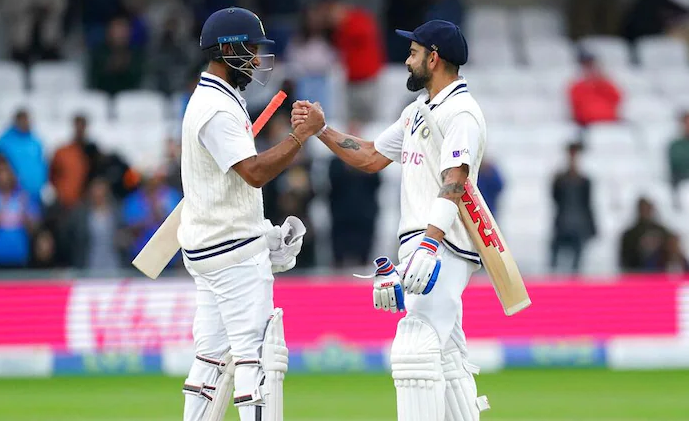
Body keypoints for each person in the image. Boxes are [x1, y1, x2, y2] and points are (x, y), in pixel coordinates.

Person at [292, 19, 490, 421]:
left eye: (413, 53)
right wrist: (321, 130)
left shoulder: (461, 113)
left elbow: (455, 181)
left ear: (433, 59)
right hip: (425, 244)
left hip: (442, 245)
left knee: (415, 351)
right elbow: (369, 156)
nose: (406, 60)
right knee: (447, 361)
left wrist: (429, 245)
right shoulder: (418, 111)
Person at [178, 8, 325, 421]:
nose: (257, 59)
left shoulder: (215, 99)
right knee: (256, 359)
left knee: (210, 360)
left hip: (212, 246)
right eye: (251, 49)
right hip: (229, 255)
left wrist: (262, 234)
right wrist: (301, 135)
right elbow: (255, 173)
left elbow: (231, 188)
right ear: (227, 49)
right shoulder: (218, 109)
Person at [550, 143, 597, 273]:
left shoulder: (584, 181)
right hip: (563, 223)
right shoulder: (560, 179)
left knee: (576, 264)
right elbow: (555, 198)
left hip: (578, 225)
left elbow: (588, 204)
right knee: (555, 261)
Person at [568, 50, 622, 127]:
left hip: (610, 123)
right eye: (587, 65)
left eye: (592, 65)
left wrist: (602, 83)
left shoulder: (606, 83)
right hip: (587, 125)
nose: (590, 69)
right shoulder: (577, 86)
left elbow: (617, 99)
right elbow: (576, 108)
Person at [620, 197, 671, 272]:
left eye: (647, 208)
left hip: (661, 274)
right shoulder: (629, 235)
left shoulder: (662, 232)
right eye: (643, 209)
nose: (645, 211)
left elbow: (671, 254)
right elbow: (625, 262)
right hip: (638, 275)